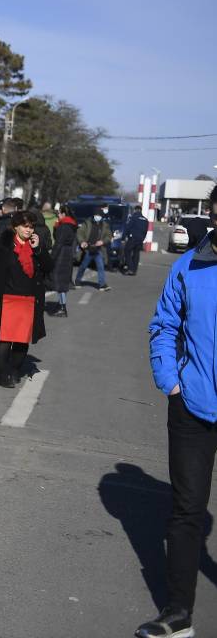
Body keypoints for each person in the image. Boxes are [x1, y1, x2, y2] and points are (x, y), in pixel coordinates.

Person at [140, 186, 217, 638]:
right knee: (187, 511)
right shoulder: (190, 266)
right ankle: (177, 612)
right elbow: (164, 324)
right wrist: (169, 379)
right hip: (193, 405)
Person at [0, 210, 51, 388]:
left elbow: (49, 266)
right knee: (4, 339)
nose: (29, 230)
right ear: (15, 227)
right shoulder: (2, 245)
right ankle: (2, 373)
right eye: (25, 226)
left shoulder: (35, 246)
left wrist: (38, 249)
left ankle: (14, 370)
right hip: (6, 299)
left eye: (31, 226)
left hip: (28, 300)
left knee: (21, 340)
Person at [75, 208, 112, 291]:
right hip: (88, 249)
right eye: (96, 215)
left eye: (99, 215)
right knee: (83, 266)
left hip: (98, 249)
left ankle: (102, 285)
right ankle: (77, 281)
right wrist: (82, 242)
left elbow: (109, 236)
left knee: (100, 266)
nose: (97, 217)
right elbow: (80, 232)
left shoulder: (105, 225)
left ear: (102, 216)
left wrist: (102, 241)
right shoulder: (87, 223)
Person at [49, 209, 77, 317]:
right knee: (63, 280)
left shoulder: (64, 226)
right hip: (68, 254)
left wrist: (52, 258)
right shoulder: (71, 225)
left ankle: (62, 307)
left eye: (59, 214)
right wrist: (56, 227)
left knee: (60, 281)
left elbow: (58, 242)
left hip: (61, 255)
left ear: (64, 214)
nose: (58, 216)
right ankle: (61, 303)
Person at [122, 205, 149, 275]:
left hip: (132, 238)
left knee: (127, 251)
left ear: (135, 210)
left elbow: (127, 228)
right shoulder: (145, 220)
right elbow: (146, 231)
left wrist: (123, 237)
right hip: (140, 240)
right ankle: (134, 270)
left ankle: (130, 268)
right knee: (136, 253)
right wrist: (142, 239)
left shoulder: (133, 218)